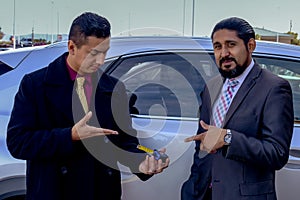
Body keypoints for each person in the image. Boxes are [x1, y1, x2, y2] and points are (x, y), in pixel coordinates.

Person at [7, 12, 169, 200]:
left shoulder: (115, 88)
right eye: (93, 54)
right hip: (54, 192)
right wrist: (70, 136)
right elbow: (17, 143)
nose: (100, 61)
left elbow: (124, 142)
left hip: (101, 191)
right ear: (71, 47)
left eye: (105, 52)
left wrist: (142, 163)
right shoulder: (35, 85)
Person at [181, 17, 294, 200]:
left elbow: (276, 154)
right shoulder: (212, 87)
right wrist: (191, 189)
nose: (224, 53)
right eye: (217, 46)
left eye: (231, 44)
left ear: (250, 46)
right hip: (203, 193)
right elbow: (202, 146)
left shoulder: (274, 87)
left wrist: (228, 138)